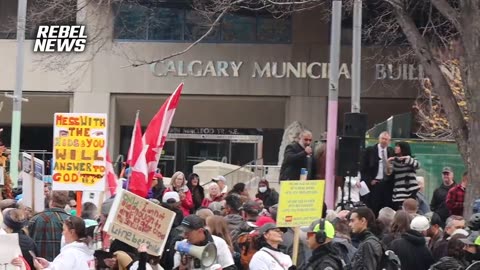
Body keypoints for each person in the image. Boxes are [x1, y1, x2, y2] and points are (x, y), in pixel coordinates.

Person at [28, 191, 71, 261]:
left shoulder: (35, 219)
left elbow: (28, 243)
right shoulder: (71, 220)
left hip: (39, 264)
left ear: (51, 202)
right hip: (63, 264)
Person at [360, 131, 395, 216]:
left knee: (386, 206)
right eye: (383, 139)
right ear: (379, 139)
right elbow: (363, 168)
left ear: (389, 141)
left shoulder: (391, 151)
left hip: (387, 183)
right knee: (374, 206)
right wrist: (369, 180)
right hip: (374, 183)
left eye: (386, 139)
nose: (384, 141)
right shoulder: (370, 150)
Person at [387, 141, 420, 210]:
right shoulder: (394, 161)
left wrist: (406, 158)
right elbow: (388, 173)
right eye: (396, 146)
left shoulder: (411, 159)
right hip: (399, 192)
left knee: (410, 210)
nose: (395, 148)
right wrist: (388, 161)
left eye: (398, 146)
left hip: (411, 191)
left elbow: (418, 165)